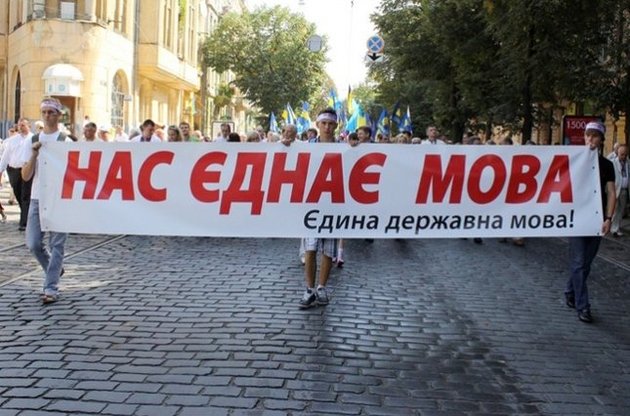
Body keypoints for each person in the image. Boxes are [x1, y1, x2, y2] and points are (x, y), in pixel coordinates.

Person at [20, 98, 72, 304]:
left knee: (57, 244)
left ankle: (51, 287)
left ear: (58, 115)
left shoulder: (66, 142)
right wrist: (34, 154)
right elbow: (25, 176)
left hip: (59, 199)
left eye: (51, 112)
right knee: (33, 243)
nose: (48, 116)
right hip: (37, 198)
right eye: (44, 112)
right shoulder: (32, 140)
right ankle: (54, 268)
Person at [565, 121, 616, 323]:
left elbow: (611, 192)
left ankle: (570, 290)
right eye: (587, 135)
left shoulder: (607, 165)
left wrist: (608, 218)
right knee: (578, 263)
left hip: (596, 219)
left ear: (601, 140)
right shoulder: (575, 160)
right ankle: (583, 306)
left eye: (594, 136)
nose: (590, 140)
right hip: (577, 218)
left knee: (585, 264)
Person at [0, 118, 33, 230]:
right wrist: (1, 170)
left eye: (23, 125)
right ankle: (25, 214)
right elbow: (5, 156)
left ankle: (24, 222)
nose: (20, 127)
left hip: (27, 169)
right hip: (14, 170)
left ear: (29, 126)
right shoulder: (12, 141)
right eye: (19, 125)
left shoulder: (33, 139)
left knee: (26, 195)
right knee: (18, 193)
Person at [611, 144, 629, 237]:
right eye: (622, 154)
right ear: (617, 153)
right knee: (615, 210)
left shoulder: (628, 163)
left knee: (621, 210)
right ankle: (613, 228)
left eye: (625, 154)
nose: (624, 156)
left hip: (624, 190)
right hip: (615, 190)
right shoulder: (613, 162)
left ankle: (615, 227)